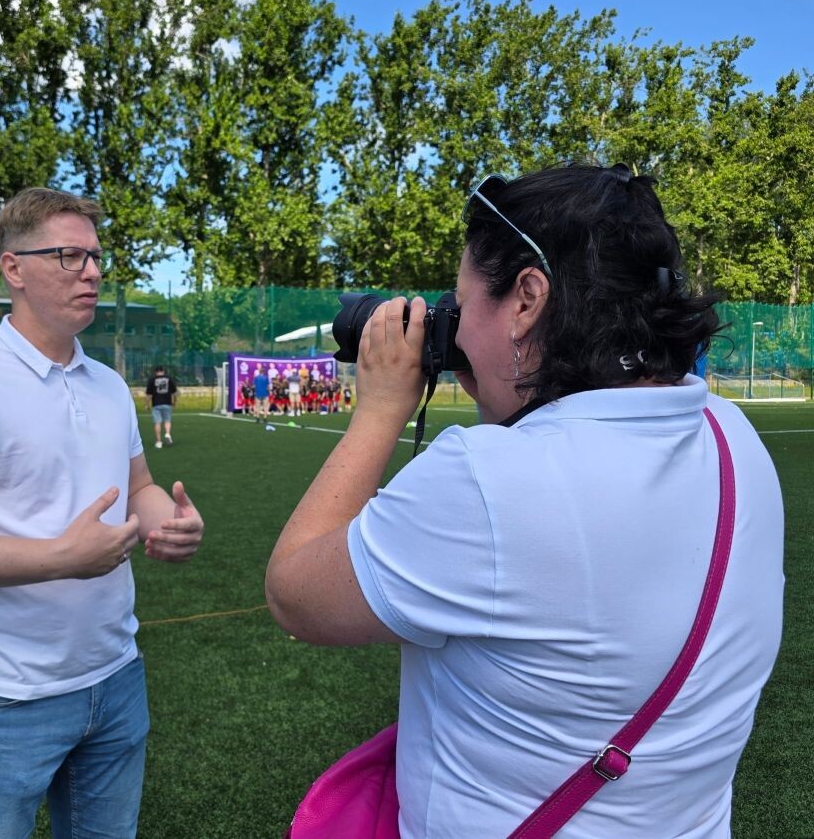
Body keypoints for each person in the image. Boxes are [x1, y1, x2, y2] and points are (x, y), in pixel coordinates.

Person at [265, 164, 783, 836]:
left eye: (462, 303)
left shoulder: (487, 481)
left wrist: (380, 409)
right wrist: (499, 377)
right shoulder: (732, 436)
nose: (453, 329)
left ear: (528, 299)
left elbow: (295, 595)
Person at [0, 187, 205, 838]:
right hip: (1, 697)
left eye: (96, 257)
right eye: (68, 256)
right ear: (13, 269)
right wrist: (60, 558)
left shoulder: (108, 385)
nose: (91, 272)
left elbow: (138, 486)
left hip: (116, 678)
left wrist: (165, 521)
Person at [145, 365, 177, 448]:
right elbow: (175, 392)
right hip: (167, 403)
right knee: (167, 420)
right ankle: (167, 434)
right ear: (163, 371)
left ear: (155, 372)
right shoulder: (169, 378)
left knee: (157, 422)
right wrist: (175, 402)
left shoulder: (152, 380)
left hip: (156, 404)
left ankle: (159, 442)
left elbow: (149, 394)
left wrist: (147, 404)